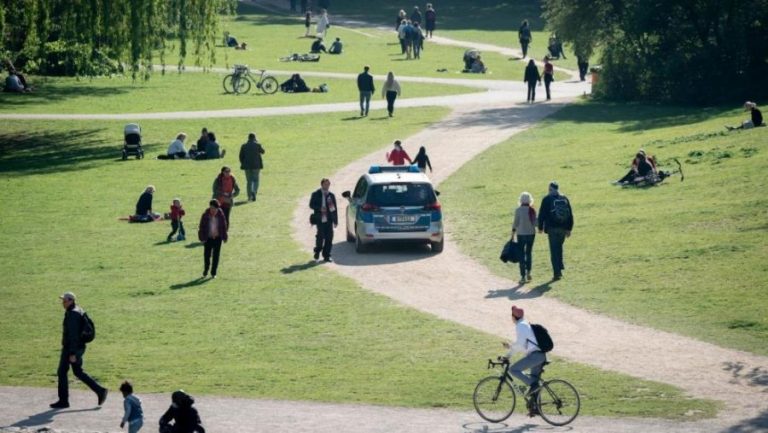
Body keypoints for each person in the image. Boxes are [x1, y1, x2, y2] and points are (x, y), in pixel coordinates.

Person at [50, 292, 108, 409]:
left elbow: (73, 335)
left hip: (71, 348)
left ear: (71, 300)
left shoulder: (73, 314)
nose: (63, 302)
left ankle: (63, 401)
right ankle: (100, 391)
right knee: (77, 372)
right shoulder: (77, 310)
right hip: (78, 347)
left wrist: (72, 353)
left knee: (62, 372)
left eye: (65, 300)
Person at [502, 305, 546, 417]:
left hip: (535, 356)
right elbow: (524, 346)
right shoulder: (525, 324)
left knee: (513, 369)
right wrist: (511, 347)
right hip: (539, 355)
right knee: (534, 382)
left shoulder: (520, 326)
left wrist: (508, 356)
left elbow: (521, 344)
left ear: (513, 317)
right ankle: (535, 408)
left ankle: (532, 386)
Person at [537, 181, 574, 281]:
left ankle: (557, 273)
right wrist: (569, 229)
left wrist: (540, 227)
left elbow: (541, 215)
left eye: (549, 189)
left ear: (551, 189)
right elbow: (570, 214)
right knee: (559, 247)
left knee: (554, 251)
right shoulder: (564, 198)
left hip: (552, 229)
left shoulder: (546, 199)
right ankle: (560, 268)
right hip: (563, 228)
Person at [198, 199, 228, 279]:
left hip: (218, 238)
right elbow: (201, 227)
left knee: (216, 256)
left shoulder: (221, 215)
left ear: (217, 208)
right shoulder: (205, 215)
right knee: (206, 256)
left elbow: (224, 227)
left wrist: (225, 237)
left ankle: (213, 273)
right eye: (211, 208)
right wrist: (202, 238)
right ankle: (205, 271)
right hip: (208, 238)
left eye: (214, 209)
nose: (213, 210)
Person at [309, 178, 338, 262]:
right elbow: (311, 205)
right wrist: (319, 208)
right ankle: (317, 250)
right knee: (320, 237)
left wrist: (335, 221)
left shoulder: (331, 195)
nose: (327, 186)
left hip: (329, 220)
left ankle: (326, 255)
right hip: (320, 219)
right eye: (325, 184)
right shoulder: (316, 194)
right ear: (322, 184)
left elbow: (334, 209)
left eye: (328, 184)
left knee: (329, 238)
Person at [512, 192, 537, 284]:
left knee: (521, 254)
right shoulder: (532, 210)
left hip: (521, 234)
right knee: (529, 253)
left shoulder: (518, 210)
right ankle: (529, 272)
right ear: (530, 200)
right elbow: (535, 223)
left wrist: (513, 233)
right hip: (531, 234)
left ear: (521, 200)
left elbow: (516, 223)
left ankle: (522, 276)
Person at [239, 132, 265, 202]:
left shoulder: (243, 146)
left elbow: (241, 156)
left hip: (247, 166)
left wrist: (243, 163)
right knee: (256, 180)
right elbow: (263, 152)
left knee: (249, 181)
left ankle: (249, 196)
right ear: (254, 137)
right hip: (256, 166)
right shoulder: (257, 145)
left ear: (248, 138)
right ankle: (254, 191)